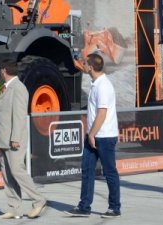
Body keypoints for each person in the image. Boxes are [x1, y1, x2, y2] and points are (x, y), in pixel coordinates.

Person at [0, 60, 47, 219]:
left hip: (14, 139)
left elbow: (19, 116)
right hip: (2, 137)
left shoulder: (19, 88)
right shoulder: (5, 88)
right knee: (7, 173)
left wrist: (15, 138)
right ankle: (14, 208)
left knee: (16, 170)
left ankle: (38, 200)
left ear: (3, 71)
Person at [66, 53, 121, 218]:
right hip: (94, 135)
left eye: (85, 63)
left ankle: (114, 207)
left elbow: (102, 113)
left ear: (90, 67)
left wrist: (92, 134)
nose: (83, 65)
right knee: (87, 170)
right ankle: (84, 206)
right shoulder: (95, 84)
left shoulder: (103, 86)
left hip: (103, 136)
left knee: (109, 172)